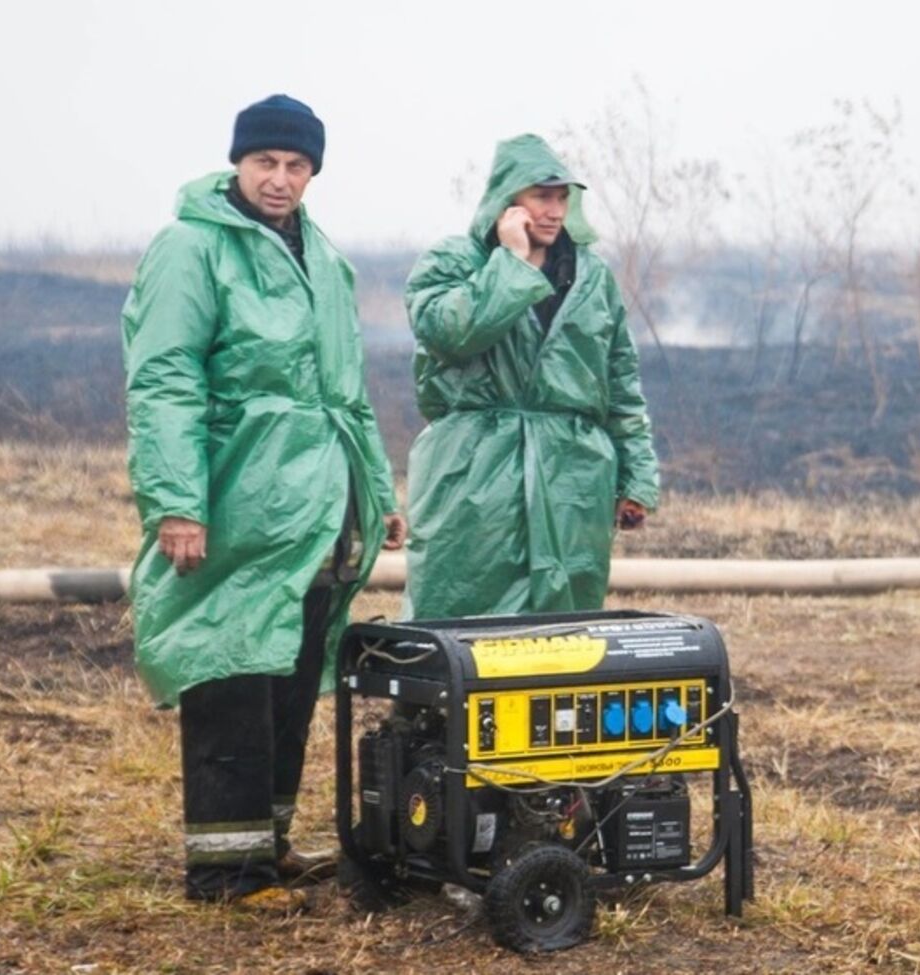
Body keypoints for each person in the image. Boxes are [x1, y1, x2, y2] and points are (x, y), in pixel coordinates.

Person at [121, 94, 406, 912]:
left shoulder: (322, 257)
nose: (279, 179)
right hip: (238, 493)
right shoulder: (191, 249)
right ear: (237, 163)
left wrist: (376, 490)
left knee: (291, 663)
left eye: (296, 165)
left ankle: (268, 846)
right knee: (230, 665)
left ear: (313, 172)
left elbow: (346, 390)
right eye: (265, 163)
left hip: (317, 503)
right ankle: (225, 869)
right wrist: (178, 500)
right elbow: (166, 377)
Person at [403, 133, 659, 619]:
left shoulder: (591, 278)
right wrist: (511, 262)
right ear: (508, 199)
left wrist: (637, 475)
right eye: (541, 196)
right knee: (463, 615)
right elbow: (453, 333)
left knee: (565, 624)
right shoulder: (453, 263)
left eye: (562, 197)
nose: (555, 211)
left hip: (573, 473)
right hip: (474, 473)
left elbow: (620, 379)